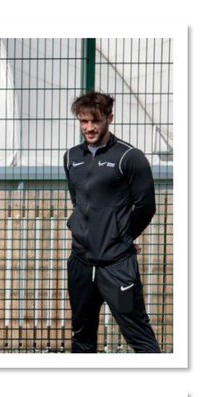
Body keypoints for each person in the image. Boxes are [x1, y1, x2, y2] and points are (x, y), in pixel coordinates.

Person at [64, 90, 159, 353]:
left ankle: (163, 391)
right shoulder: (72, 157)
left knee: (138, 334)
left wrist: (122, 236)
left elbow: (146, 206)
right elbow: (79, 201)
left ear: (109, 119)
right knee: (82, 335)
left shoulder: (130, 157)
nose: (89, 128)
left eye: (95, 121)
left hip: (117, 264)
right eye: (84, 121)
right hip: (81, 262)